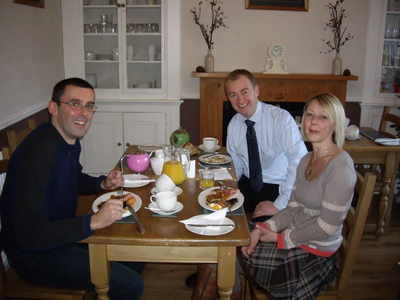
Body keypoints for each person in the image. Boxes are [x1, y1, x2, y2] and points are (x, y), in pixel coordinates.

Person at [0, 78, 145, 300]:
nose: (83, 113)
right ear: (53, 107)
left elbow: (73, 177)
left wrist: (102, 184)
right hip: (35, 255)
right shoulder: (38, 156)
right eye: (74, 104)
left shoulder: (67, 139)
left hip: (62, 235)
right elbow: (28, 235)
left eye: (89, 106)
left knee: (136, 254)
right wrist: (93, 221)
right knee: (131, 284)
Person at [240, 93, 357, 299]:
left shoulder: (340, 168)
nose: (313, 121)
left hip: (317, 255)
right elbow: (292, 209)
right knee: (240, 238)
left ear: (335, 124)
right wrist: (266, 228)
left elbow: (326, 228)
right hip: (298, 235)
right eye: (310, 114)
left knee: (240, 251)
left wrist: (279, 238)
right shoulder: (306, 160)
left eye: (323, 117)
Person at [225, 69, 307, 221]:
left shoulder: (281, 119)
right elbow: (237, 164)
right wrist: (229, 187)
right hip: (248, 184)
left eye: (244, 92)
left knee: (257, 232)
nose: (240, 100)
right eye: (233, 95)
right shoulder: (234, 125)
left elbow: (300, 163)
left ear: (256, 90)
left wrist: (280, 204)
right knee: (218, 214)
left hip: (279, 187)